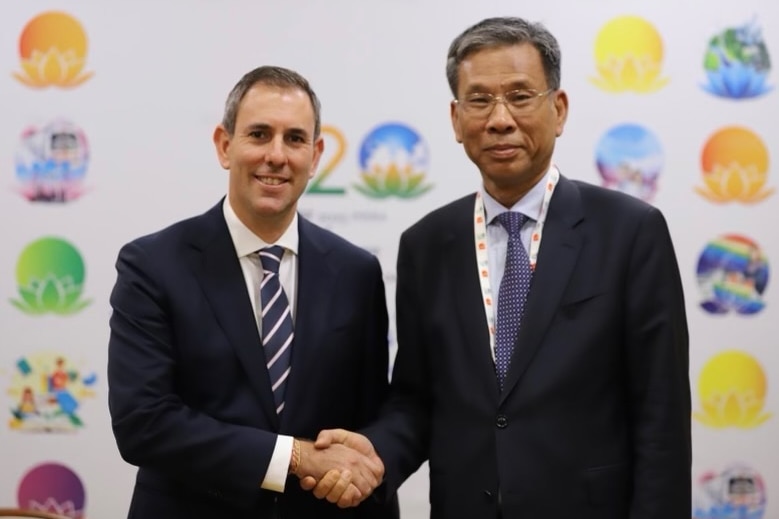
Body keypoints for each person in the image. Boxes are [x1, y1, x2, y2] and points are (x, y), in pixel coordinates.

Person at [306, 16, 692, 518]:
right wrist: (370, 456)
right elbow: (417, 401)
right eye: (480, 100)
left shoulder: (629, 232)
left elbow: (660, 418)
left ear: (559, 108)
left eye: (520, 95)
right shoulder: (426, 244)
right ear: (455, 117)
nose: (500, 118)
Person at [107, 65, 399, 519]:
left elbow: (365, 430)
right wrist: (295, 458)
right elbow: (143, 423)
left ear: (316, 154)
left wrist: (361, 476)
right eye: (259, 135)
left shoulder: (356, 272)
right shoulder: (153, 264)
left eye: (295, 139)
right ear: (225, 146)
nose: (276, 155)